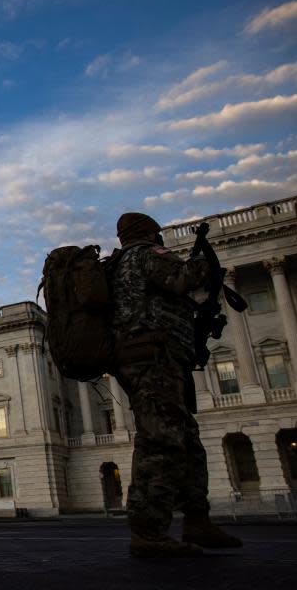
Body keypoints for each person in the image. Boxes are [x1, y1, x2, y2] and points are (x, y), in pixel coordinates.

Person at [110, 213, 243, 558]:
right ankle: (149, 532)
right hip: (153, 357)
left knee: (186, 440)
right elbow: (182, 278)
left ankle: (197, 520)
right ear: (149, 232)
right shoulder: (143, 256)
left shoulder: (123, 263)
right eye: (157, 231)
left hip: (158, 357)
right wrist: (200, 259)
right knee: (161, 441)